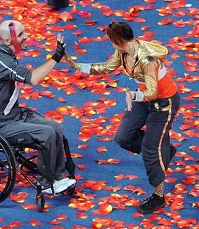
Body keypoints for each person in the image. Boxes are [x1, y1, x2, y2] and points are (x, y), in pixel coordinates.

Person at [63, 21, 180, 214]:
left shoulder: (147, 60)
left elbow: (153, 92)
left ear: (117, 40)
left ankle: (158, 196)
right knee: (124, 137)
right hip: (143, 99)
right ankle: (164, 150)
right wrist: (75, 65)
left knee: (151, 150)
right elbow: (107, 67)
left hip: (163, 103)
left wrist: (132, 95)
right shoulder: (123, 52)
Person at [0, 19, 76, 195]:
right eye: (21, 34)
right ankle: (47, 183)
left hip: (15, 115)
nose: (27, 37)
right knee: (46, 134)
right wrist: (56, 57)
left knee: (56, 128)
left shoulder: (4, 55)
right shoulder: (0, 60)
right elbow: (33, 78)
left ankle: (58, 176)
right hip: (2, 124)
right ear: (8, 40)